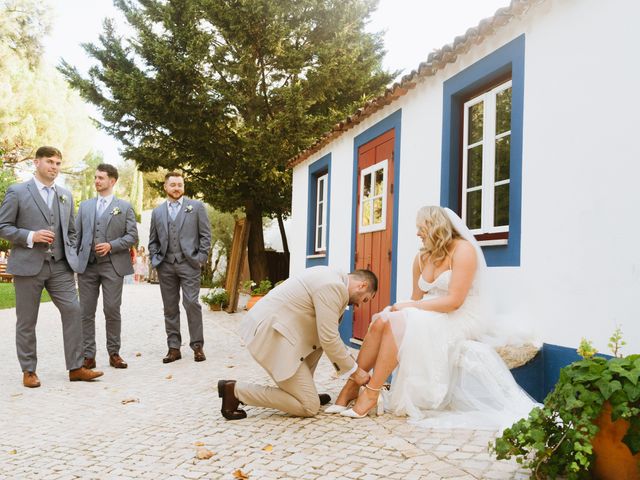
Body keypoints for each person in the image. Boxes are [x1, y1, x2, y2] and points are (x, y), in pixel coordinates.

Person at [330, 206, 536, 428]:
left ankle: (371, 392)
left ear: (436, 227)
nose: (418, 233)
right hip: (433, 311)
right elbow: (416, 299)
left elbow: (454, 301)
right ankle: (353, 384)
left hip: (461, 315)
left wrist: (410, 307)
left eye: (421, 228)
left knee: (397, 318)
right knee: (383, 318)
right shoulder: (421, 258)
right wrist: (404, 308)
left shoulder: (463, 250)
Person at [0, 146, 104, 387]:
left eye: (58, 163)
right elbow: (3, 226)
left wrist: (70, 253)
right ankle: (29, 371)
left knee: (74, 311)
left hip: (60, 266)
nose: (54, 167)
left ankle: (76, 367)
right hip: (28, 265)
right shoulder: (17, 192)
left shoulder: (65, 194)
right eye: (50, 162)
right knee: (27, 320)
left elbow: (71, 231)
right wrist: (30, 236)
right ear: (36, 163)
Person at [218, 266, 378, 420]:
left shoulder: (331, 275)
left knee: (318, 343)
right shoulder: (333, 286)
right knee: (309, 406)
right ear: (362, 285)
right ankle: (236, 391)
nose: (358, 305)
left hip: (278, 329)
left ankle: (303, 391)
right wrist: (354, 371)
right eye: (364, 299)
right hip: (272, 334)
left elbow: (323, 336)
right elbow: (329, 337)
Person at [75, 163, 138, 370]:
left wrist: (112, 245)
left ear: (112, 181)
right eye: (95, 177)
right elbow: (76, 235)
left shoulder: (125, 207)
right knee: (85, 312)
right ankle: (88, 356)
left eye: (101, 178)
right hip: (88, 266)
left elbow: (132, 236)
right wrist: (74, 261)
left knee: (112, 309)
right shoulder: (84, 206)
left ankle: (114, 353)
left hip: (113, 266)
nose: (96, 181)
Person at [149, 172, 211, 363]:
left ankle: (197, 346)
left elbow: (205, 236)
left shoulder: (196, 207)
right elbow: (153, 240)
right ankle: (173, 348)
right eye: (173, 185)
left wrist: (200, 258)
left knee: (191, 303)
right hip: (166, 265)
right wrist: (155, 258)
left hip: (189, 264)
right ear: (165, 187)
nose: (177, 188)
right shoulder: (157, 212)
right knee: (169, 308)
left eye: (180, 185)